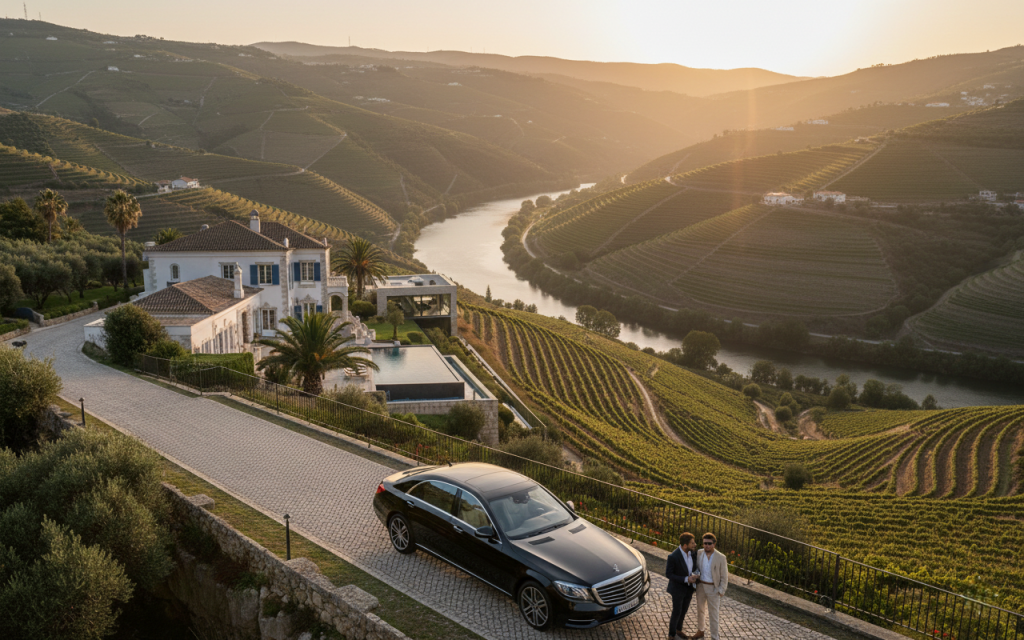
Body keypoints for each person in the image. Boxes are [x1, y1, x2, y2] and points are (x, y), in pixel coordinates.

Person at [693, 532, 728, 640]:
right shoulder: (699, 553)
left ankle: (714, 637)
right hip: (701, 587)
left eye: (709, 543)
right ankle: (701, 631)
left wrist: (721, 590)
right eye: (704, 543)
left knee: (714, 614)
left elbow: (724, 576)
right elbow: (696, 567)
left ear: (714, 544)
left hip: (713, 588)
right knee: (700, 610)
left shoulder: (721, 557)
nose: (706, 545)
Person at [666, 532, 699, 639]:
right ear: (685, 545)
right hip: (677, 589)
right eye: (692, 543)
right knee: (677, 611)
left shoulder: (693, 553)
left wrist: (696, 575)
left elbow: (694, 567)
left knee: (684, 611)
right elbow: (669, 574)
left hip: (688, 589)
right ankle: (671, 635)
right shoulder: (673, 556)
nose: (695, 545)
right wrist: (686, 579)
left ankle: (678, 630)